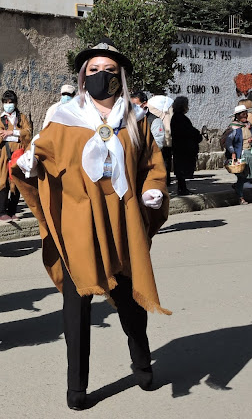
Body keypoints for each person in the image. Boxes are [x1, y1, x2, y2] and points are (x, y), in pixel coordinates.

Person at [15, 39, 170, 411]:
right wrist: (29, 165)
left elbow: (153, 167)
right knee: (77, 307)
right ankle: (77, 386)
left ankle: (142, 362)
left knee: (130, 302)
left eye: (110, 72)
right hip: (77, 226)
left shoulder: (136, 121)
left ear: (121, 78)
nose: (102, 77)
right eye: (94, 71)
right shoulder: (63, 119)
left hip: (122, 222)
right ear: (83, 77)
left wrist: (153, 191)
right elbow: (40, 160)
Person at [0, 90, 32, 220]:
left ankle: (12, 211)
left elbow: (27, 132)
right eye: (6, 102)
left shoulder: (22, 117)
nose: (8, 105)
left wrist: (10, 132)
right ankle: (1, 212)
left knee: (16, 180)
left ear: (15, 102)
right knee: (3, 180)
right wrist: (15, 133)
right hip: (3, 154)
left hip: (18, 153)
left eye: (11, 102)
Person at [225, 104, 252, 205]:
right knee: (242, 177)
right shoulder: (234, 127)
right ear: (238, 116)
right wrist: (233, 153)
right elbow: (228, 142)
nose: (245, 116)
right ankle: (240, 197)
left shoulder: (248, 125)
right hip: (241, 154)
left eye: (246, 114)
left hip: (249, 152)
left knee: (251, 176)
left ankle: (237, 187)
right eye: (243, 115)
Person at [170, 96, 202, 195]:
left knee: (181, 170)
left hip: (179, 147)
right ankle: (182, 189)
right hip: (182, 148)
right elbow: (187, 132)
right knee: (181, 170)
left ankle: (182, 188)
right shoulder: (180, 118)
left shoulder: (176, 117)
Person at [147, 95, 174, 184]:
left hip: (159, 136)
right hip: (166, 137)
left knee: (163, 159)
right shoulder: (169, 104)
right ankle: (166, 179)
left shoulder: (152, 104)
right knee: (166, 159)